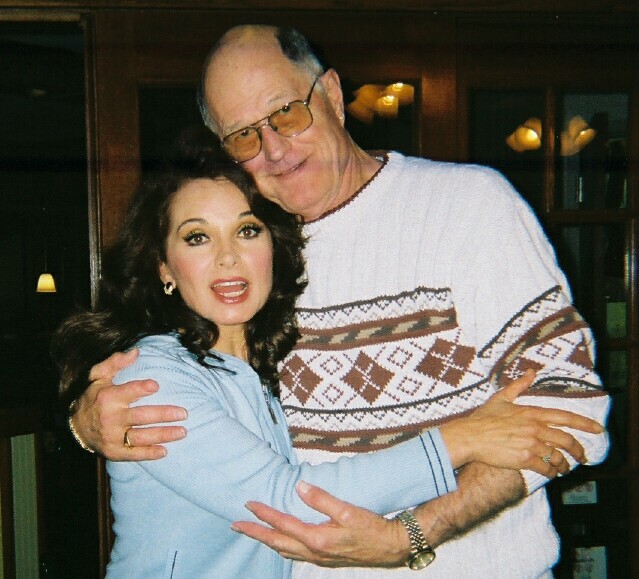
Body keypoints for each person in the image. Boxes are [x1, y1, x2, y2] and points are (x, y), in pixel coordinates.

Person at [69, 25, 610, 578]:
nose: (274, 148)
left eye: (286, 112)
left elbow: (572, 409)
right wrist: (85, 423)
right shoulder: (259, 262)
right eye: (244, 135)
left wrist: (414, 534)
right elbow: (202, 424)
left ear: (331, 93)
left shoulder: (468, 205)